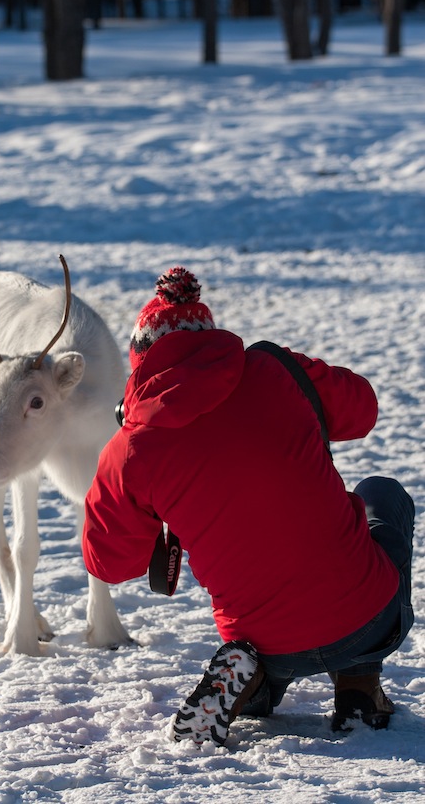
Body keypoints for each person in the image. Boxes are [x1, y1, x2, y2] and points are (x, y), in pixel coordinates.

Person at [82, 266, 415, 746]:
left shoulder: (130, 448)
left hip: (264, 640)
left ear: (141, 365)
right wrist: (299, 375)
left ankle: (251, 679)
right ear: (211, 337)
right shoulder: (275, 369)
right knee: (383, 493)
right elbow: (362, 407)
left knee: (260, 636)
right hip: (363, 620)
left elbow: (109, 564)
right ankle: (360, 687)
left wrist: (151, 501)